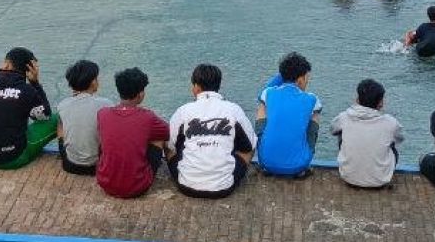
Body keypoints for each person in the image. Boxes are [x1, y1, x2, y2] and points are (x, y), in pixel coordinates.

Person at [167, 64, 256, 199]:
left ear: (196, 87)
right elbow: (250, 144)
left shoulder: (183, 111)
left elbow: (169, 144)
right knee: (249, 148)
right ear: (218, 86)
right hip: (223, 188)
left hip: (187, 186)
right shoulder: (233, 110)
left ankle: (190, 171)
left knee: (169, 148)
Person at [0, 47, 57, 169]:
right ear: (29, 70)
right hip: (13, 157)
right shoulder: (27, 91)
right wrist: (35, 83)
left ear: (7, 63)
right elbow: (44, 116)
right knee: (58, 119)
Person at [96, 68, 170, 198]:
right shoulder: (147, 117)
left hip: (106, 183)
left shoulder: (103, 113)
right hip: (137, 186)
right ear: (140, 94)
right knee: (158, 138)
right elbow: (167, 132)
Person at [256, 53, 322, 177]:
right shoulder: (312, 99)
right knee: (315, 114)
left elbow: (261, 97)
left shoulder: (268, 92)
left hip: (266, 162)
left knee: (262, 106)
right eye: (307, 78)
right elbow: (313, 113)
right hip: (298, 166)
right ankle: (304, 163)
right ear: (300, 79)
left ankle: (266, 154)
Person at [331, 79, 404, 189]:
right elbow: (400, 139)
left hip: (348, 177)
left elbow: (333, 130)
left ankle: (353, 166)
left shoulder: (344, 117)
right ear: (381, 103)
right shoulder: (391, 122)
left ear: (357, 99)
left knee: (341, 132)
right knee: (391, 141)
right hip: (380, 180)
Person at [57, 60, 112, 176]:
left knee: (60, 122)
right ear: (92, 82)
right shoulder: (106, 104)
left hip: (70, 165)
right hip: (97, 166)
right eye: (97, 78)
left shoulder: (63, 104)